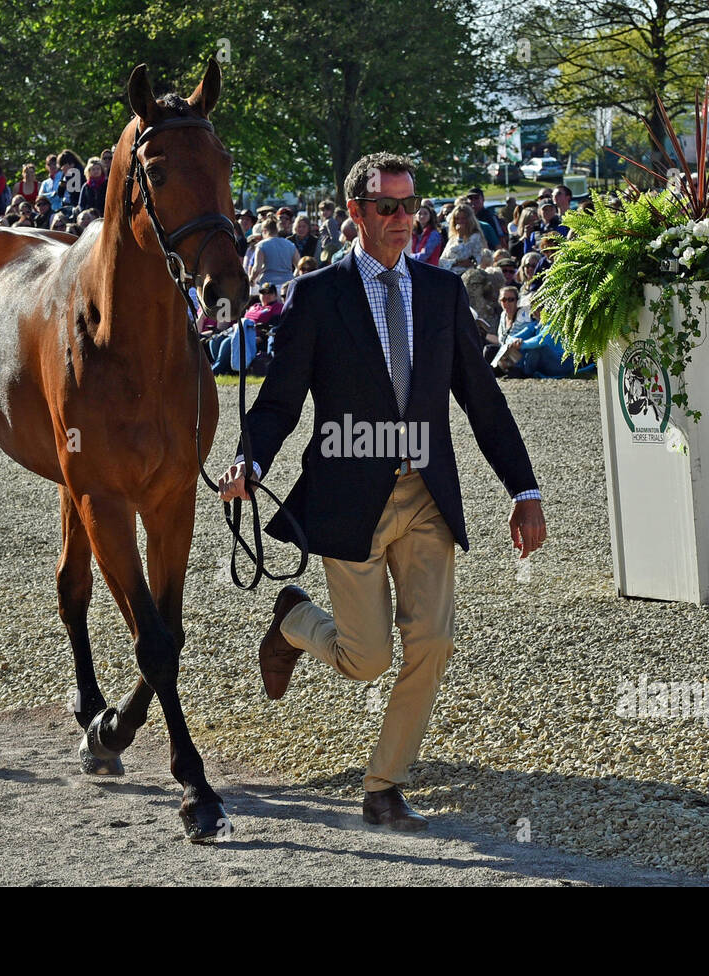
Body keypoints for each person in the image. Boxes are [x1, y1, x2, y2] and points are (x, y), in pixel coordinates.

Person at [217, 151, 545, 831]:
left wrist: (524, 487)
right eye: (388, 207)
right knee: (365, 660)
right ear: (357, 214)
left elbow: (481, 400)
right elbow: (279, 402)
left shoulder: (441, 292)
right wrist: (250, 460)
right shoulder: (316, 297)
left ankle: (383, 786)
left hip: (427, 494)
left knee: (432, 642)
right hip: (349, 500)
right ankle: (293, 621)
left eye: (411, 206)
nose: (403, 219)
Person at [250, 218, 299, 292]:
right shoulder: (290, 244)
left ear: (264, 231)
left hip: (267, 285)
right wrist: (293, 277)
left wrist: (251, 279)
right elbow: (299, 265)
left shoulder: (261, 245)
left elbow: (257, 269)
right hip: (287, 285)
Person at [438, 204, 484, 274]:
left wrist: (461, 237)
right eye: (457, 218)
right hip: (451, 274)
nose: (460, 221)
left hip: (467, 275)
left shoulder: (475, 236)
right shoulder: (453, 238)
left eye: (463, 218)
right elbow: (441, 261)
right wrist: (456, 262)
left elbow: (464, 256)